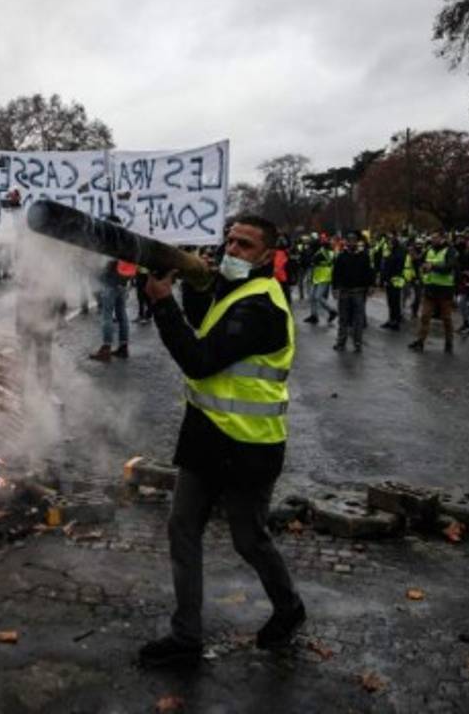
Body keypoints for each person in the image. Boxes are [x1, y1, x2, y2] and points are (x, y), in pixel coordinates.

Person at [138, 214, 304, 669]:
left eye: (245, 245)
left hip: (250, 446)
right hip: (207, 438)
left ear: (268, 255)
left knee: (249, 540)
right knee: (182, 527)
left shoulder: (262, 306)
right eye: (229, 240)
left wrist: (161, 304)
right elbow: (203, 320)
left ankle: (289, 608)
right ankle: (186, 635)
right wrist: (183, 285)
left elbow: (200, 359)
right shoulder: (234, 291)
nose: (231, 250)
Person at [408, 233, 457, 353]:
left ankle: (449, 342)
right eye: (432, 237)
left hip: (445, 289)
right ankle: (420, 342)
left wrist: (433, 266)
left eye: (436, 237)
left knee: (446, 318)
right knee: (425, 316)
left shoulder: (450, 250)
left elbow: (449, 267)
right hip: (430, 289)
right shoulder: (429, 249)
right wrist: (414, 256)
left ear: (442, 239)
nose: (433, 239)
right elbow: (420, 261)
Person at [331, 231, 373, 351]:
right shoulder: (341, 256)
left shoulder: (364, 256)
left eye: (353, 240)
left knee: (358, 319)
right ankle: (341, 342)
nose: (351, 242)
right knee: (343, 319)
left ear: (357, 241)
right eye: (349, 240)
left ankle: (358, 343)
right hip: (344, 292)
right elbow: (336, 274)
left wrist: (370, 286)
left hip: (358, 292)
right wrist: (334, 288)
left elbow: (369, 272)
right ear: (346, 242)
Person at [303, 237, 337, 324]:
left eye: (311, 246)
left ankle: (332, 311)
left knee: (318, 297)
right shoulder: (320, 252)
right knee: (312, 297)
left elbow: (311, 262)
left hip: (324, 277)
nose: (309, 248)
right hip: (317, 277)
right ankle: (314, 316)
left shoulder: (321, 253)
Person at [380, 235, 406, 330]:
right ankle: (391, 319)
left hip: (396, 279)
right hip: (389, 279)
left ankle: (396, 321)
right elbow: (385, 264)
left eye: (390, 242)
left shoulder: (400, 252)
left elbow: (396, 264)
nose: (389, 244)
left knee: (396, 301)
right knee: (390, 301)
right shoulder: (389, 251)